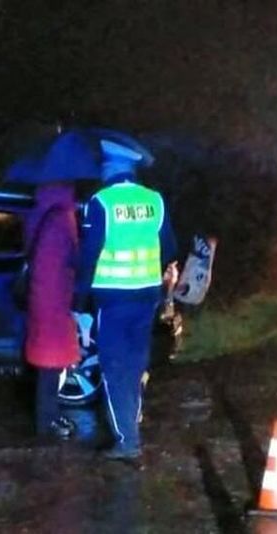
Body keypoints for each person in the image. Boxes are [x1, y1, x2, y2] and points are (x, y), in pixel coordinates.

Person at [75, 138, 177, 461]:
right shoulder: (155, 201)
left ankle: (127, 441)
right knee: (134, 366)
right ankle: (130, 427)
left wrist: (78, 305)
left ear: (108, 169)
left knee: (114, 369)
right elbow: (170, 248)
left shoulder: (101, 202)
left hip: (112, 300)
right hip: (147, 297)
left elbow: (89, 257)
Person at [25, 181, 81, 440]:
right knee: (52, 365)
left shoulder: (42, 212)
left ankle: (48, 416)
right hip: (55, 298)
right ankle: (46, 422)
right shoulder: (59, 218)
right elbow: (67, 259)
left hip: (44, 297)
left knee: (50, 364)